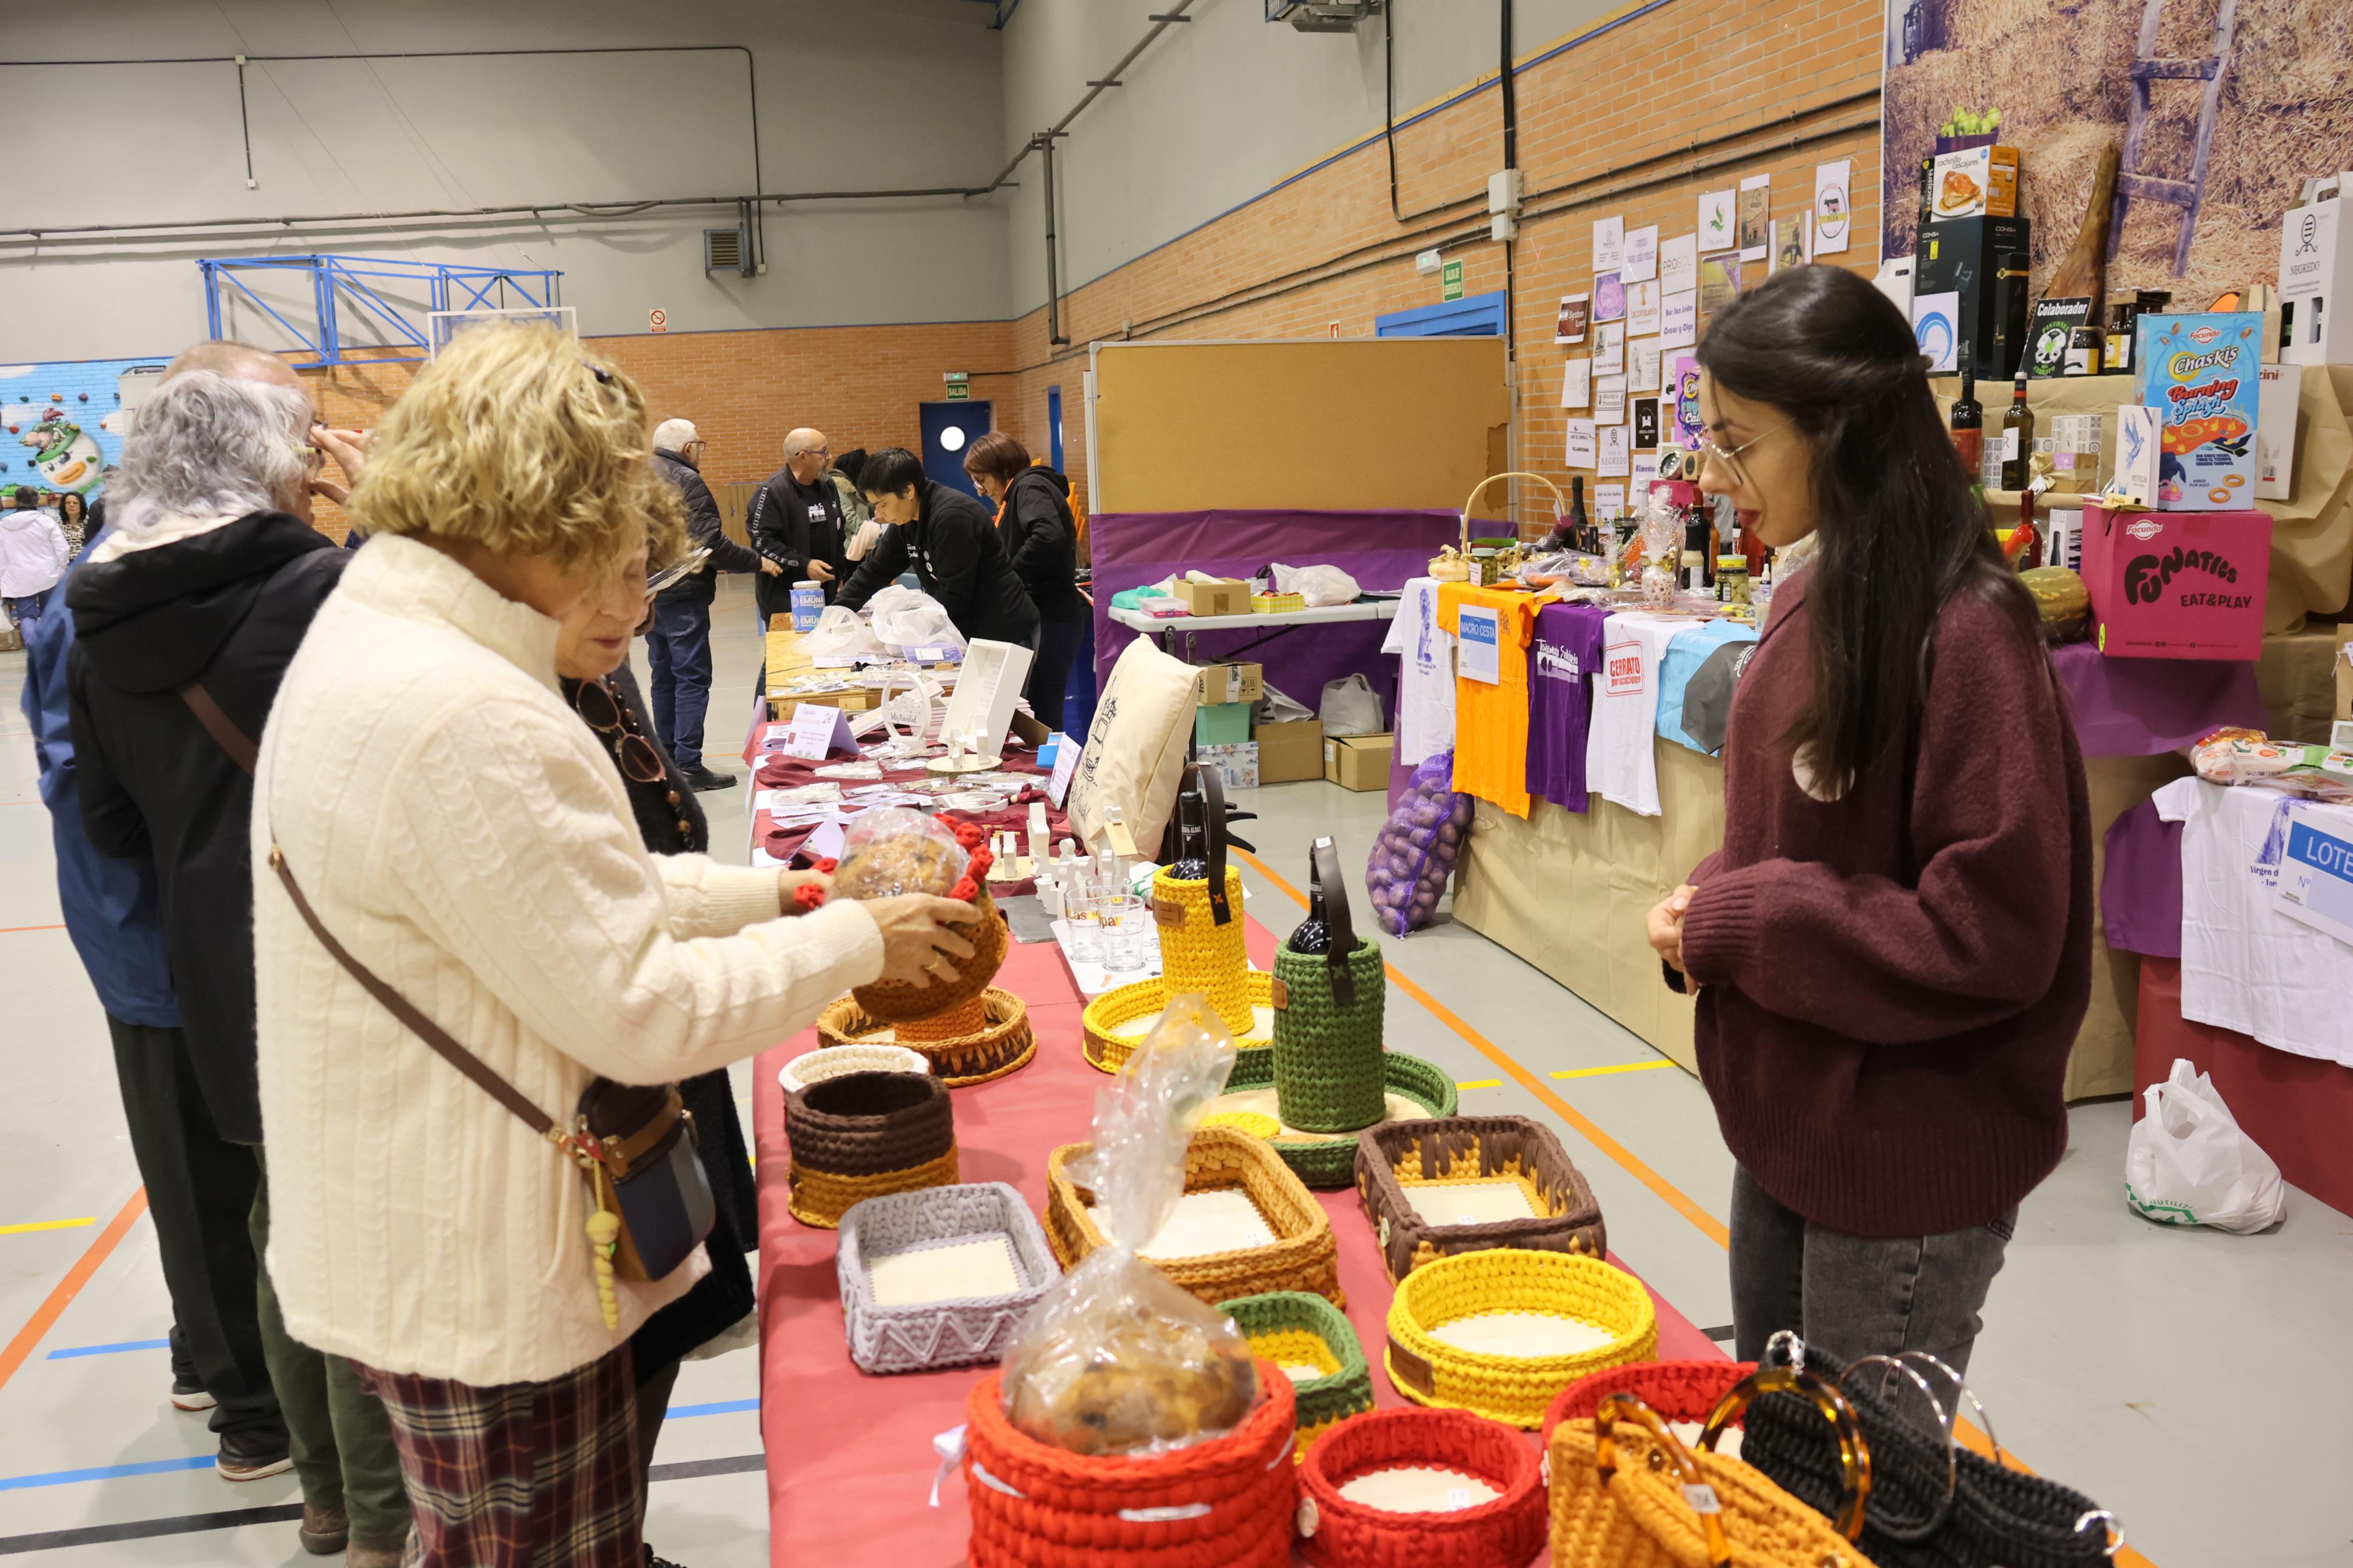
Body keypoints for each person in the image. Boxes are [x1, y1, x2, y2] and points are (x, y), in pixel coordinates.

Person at [250, 323, 976, 1567]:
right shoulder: (464, 708)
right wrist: (857, 940)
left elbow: (559, 896)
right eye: (613, 547)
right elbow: (644, 1010)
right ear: (541, 511)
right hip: (484, 1267)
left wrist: (778, 896)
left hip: (424, 1232)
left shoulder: (384, 638)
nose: (631, 599)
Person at [1644, 265, 2092, 1378]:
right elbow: (1796, 835)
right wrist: (1709, 898)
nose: (1713, 478)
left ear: (1837, 431)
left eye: (1737, 444)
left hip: (1903, 1158)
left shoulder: (1969, 631)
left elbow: (1990, 932)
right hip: (1791, 1125)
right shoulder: (1809, 593)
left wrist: (1750, 918)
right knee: (1781, 1442)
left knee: (1866, 1470)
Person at [66, 343, 412, 1563]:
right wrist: (391, 521)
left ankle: (324, 1494)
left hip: (215, 967)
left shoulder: (95, 625)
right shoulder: (328, 589)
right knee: (371, 1235)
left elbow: (109, 823)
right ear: (277, 460)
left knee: (282, 1225)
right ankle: (385, 1518)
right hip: (348, 951)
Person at [23, 496, 298, 1488]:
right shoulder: (103, 601)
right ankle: (252, 1409)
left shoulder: (153, 580)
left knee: (217, 1176)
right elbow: (86, 790)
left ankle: (202, 1347)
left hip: (187, 922)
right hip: (155, 935)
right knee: (202, 1175)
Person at [559, 639, 760, 1568]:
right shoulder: (499, 693)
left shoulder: (586, 661)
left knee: (667, 1303)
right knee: (624, 1325)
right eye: (614, 579)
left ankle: (620, 1539)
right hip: (601, 1074)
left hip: (654, 1055)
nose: (634, 608)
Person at [650, 418, 778, 792]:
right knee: (691, 678)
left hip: (649, 594)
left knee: (663, 677)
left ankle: (668, 761)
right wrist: (757, 561)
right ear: (689, 448)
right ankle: (688, 764)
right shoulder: (687, 480)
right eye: (700, 446)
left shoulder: (638, 475)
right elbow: (710, 544)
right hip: (683, 593)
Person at [838, 446, 1039, 649]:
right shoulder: (906, 520)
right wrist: (836, 614)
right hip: (967, 632)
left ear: (908, 491)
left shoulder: (952, 516)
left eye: (882, 504)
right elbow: (874, 571)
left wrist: (910, 628)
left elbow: (954, 598)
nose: (879, 513)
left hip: (1003, 634)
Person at [963, 432, 1087, 730]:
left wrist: (1008, 577)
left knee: (1041, 712)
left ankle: (1050, 762)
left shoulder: (1030, 486)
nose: (981, 491)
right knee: (1038, 709)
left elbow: (1048, 536)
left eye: (982, 480)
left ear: (1002, 468)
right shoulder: (1021, 491)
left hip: (1050, 617)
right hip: (1045, 615)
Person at [746, 427, 847, 631]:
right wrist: (804, 564)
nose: (830, 457)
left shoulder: (827, 486)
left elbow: (839, 530)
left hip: (826, 594)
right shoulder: (772, 491)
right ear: (803, 456)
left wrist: (841, 573)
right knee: (789, 651)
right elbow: (762, 543)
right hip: (785, 598)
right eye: (824, 452)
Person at [2, 489, 69, 639]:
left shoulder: (4, 525)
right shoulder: (46, 521)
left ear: (16, 500)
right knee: (50, 614)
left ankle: (32, 647)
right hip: (49, 574)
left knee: (27, 616)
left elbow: (1, 557)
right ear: (37, 501)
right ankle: (50, 647)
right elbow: (63, 548)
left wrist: (2, 578)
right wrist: (62, 567)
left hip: (19, 577)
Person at [831, 447, 876, 559]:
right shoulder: (840, 486)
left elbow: (869, 506)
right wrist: (875, 533)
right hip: (848, 549)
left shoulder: (853, 487)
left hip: (857, 545)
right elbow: (848, 517)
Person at [56, 489, 92, 557]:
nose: (71, 505)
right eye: (68, 503)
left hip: (85, 560)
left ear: (81, 506)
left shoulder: (90, 523)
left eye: (75, 503)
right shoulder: (56, 524)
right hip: (64, 561)